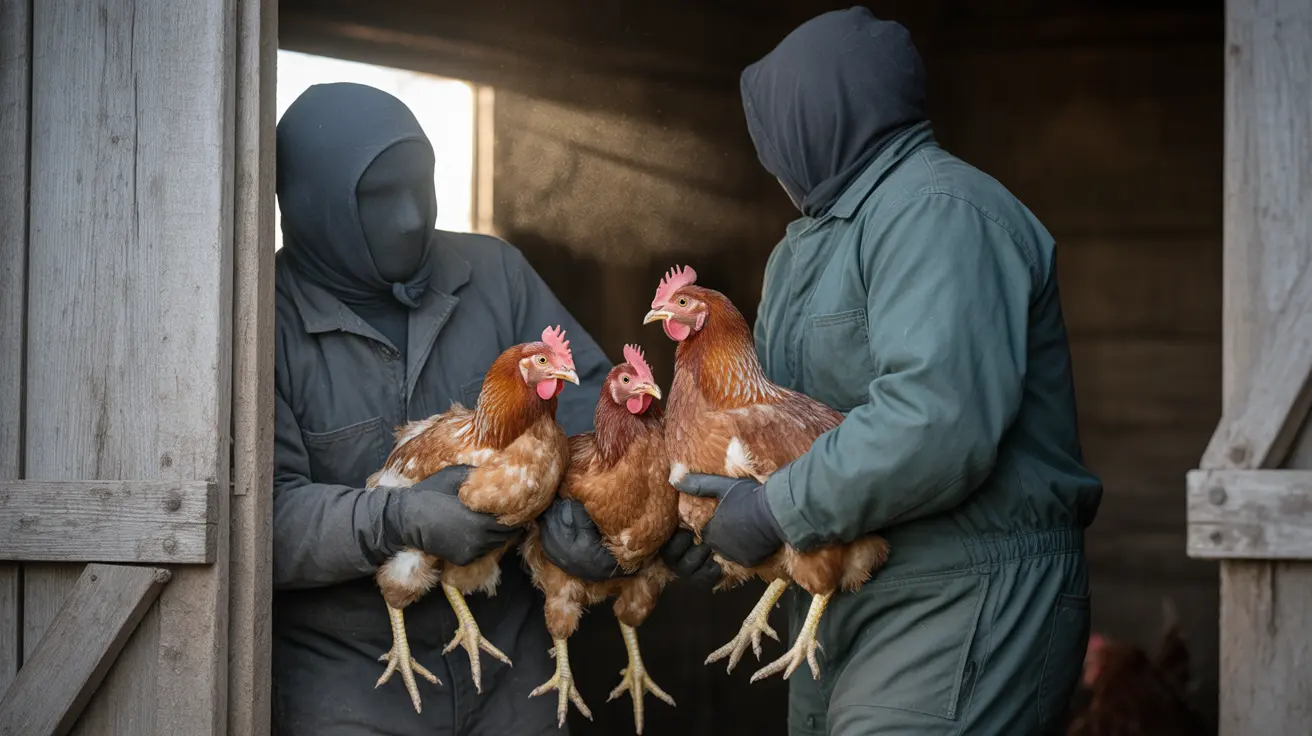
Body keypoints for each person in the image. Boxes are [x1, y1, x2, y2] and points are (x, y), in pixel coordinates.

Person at [669, 8, 1104, 735]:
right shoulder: (809, 246)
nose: (773, 163)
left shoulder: (937, 212)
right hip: (844, 579)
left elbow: (935, 423)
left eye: (774, 134)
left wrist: (775, 511)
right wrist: (717, 529)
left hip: (961, 590)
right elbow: (774, 424)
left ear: (815, 120)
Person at [271, 82, 618, 735]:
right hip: (349, 682)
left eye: (420, 184)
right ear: (317, 205)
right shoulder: (264, 318)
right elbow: (258, 519)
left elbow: (594, 408)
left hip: (512, 668)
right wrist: (394, 518)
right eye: (379, 196)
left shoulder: (495, 274)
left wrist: (583, 510)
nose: (410, 216)